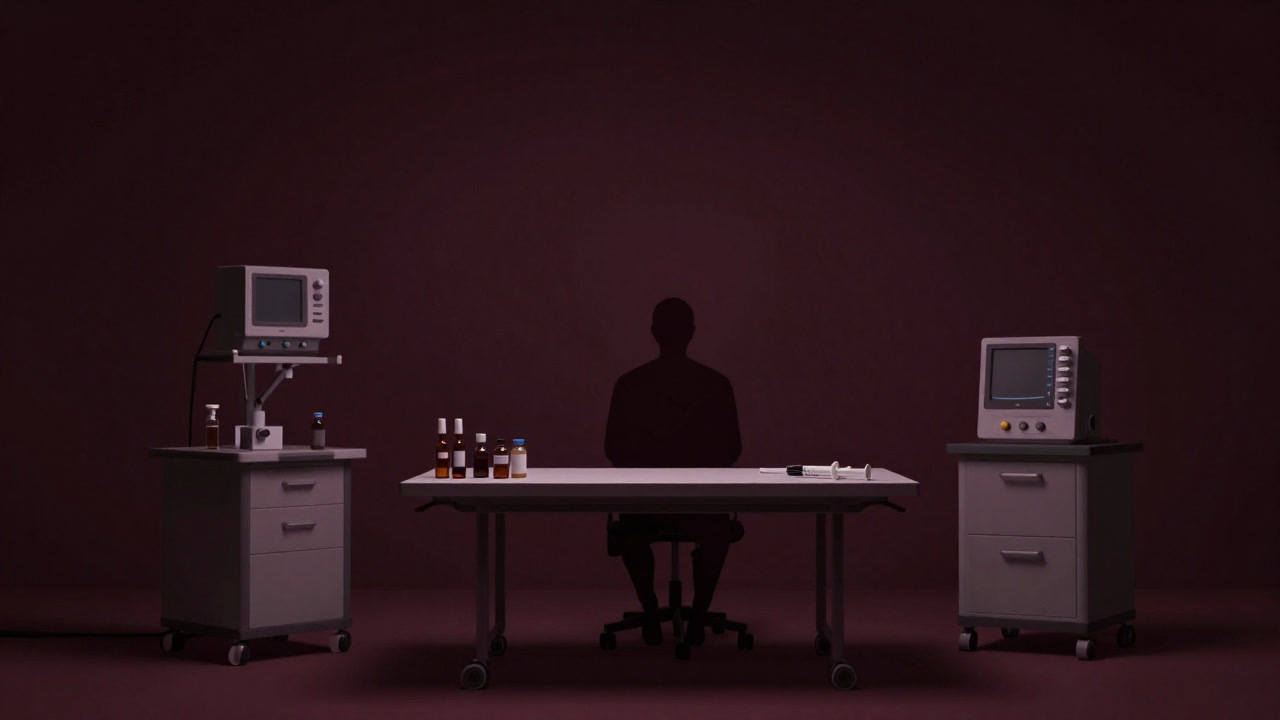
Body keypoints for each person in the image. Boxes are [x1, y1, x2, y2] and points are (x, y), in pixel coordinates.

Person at [604, 297, 742, 647]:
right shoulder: (716, 384)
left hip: (644, 508)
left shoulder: (629, 384)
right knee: (717, 532)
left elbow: (613, 450)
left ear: (654, 333)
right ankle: (697, 615)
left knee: (631, 529)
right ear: (692, 333)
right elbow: (732, 450)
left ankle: (650, 610)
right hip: (702, 508)